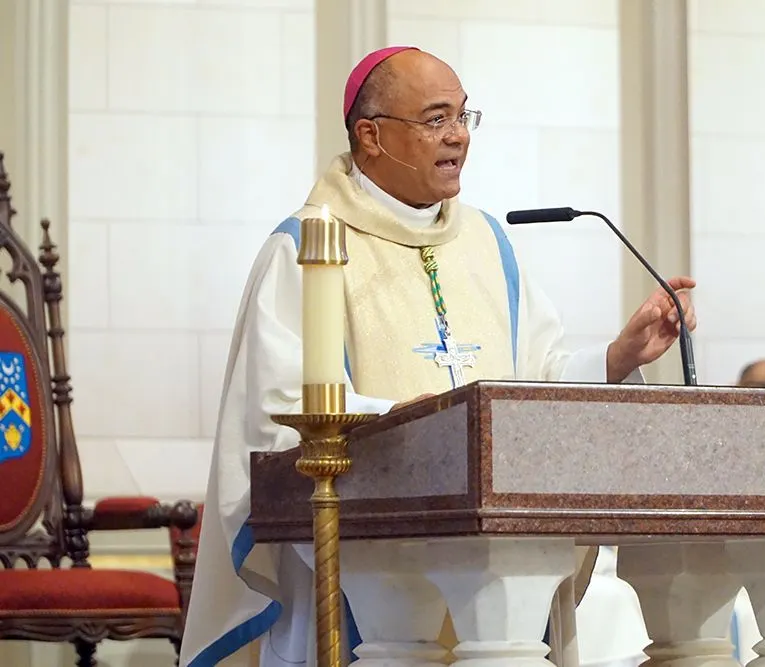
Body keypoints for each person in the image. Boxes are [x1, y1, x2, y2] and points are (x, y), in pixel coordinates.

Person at [179, 46, 697, 667]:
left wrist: (615, 359)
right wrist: (403, 420)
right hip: (367, 578)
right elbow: (278, 413)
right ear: (371, 135)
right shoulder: (305, 248)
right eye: (435, 119)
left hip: (502, 581)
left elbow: (536, 386)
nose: (457, 137)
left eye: (463, 117)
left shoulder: (489, 243)